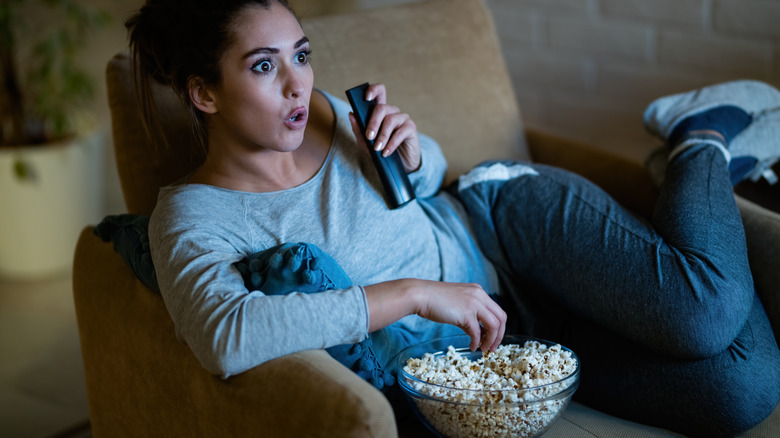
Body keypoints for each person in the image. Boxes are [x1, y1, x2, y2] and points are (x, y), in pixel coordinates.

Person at [126, 0, 780, 436]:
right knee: (741, 390)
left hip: (503, 222)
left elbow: (428, 180)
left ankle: (697, 139)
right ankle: (697, 188)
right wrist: (413, 295)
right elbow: (225, 336)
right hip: (493, 346)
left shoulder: (322, 109)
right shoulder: (192, 216)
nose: (298, 83)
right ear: (203, 92)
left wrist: (411, 149)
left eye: (301, 54)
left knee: (704, 313)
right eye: (264, 67)